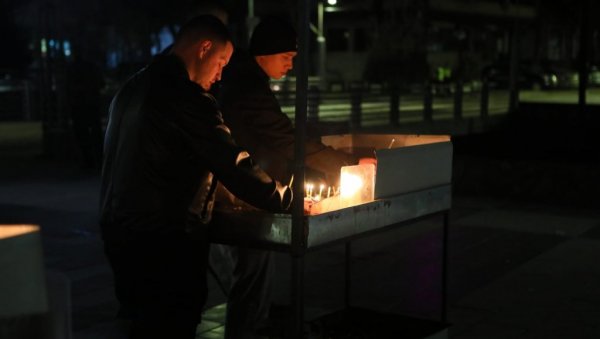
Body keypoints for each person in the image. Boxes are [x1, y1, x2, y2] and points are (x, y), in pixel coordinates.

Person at [99, 15, 292, 339]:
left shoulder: (132, 87)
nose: (219, 76)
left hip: (119, 229)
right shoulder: (186, 98)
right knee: (173, 320)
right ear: (204, 48)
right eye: (220, 62)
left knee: (137, 317)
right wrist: (285, 196)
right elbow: (231, 163)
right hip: (165, 238)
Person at [217, 16, 358, 338]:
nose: (291, 65)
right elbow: (283, 138)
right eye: (287, 57)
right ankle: (246, 331)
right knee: (252, 267)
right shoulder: (248, 87)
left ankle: (253, 325)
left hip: (244, 186)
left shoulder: (246, 79)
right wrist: (344, 164)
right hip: (240, 191)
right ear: (265, 54)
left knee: (254, 267)